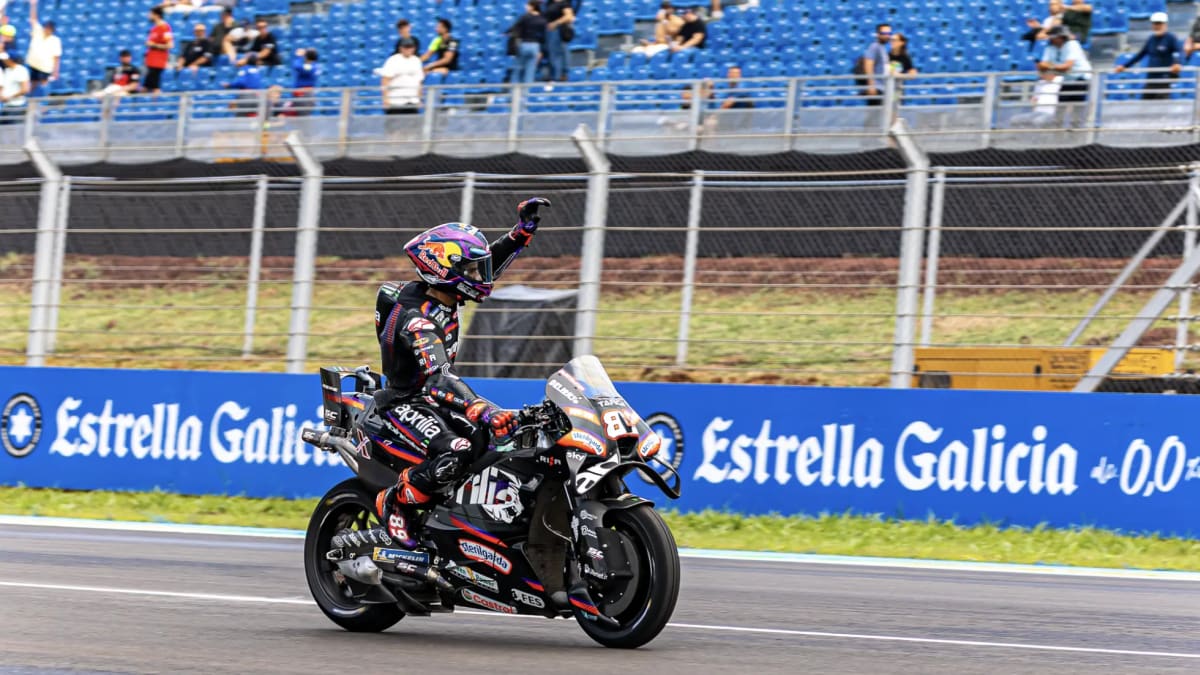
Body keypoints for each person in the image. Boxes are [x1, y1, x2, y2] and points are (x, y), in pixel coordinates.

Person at [336, 198, 552, 550]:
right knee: (458, 450)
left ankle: (471, 520)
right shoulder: (416, 319)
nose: (481, 276)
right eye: (471, 270)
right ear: (445, 271)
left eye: (477, 269)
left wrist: (520, 234)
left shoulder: (445, 294)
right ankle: (395, 502)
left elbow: (487, 264)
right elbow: (437, 377)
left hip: (433, 399)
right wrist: (481, 408)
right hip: (405, 402)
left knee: (501, 440)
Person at [1115, 12, 1182, 101]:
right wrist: (1124, 66)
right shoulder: (1151, 39)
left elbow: (1177, 52)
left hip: (1164, 79)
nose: (1157, 26)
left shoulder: (1170, 38)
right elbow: (1140, 55)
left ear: (1165, 24)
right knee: (1145, 103)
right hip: (1151, 79)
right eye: (1155, 24)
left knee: (1162, 104)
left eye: (1159, 23)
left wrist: (1177, 63)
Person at [1038, 25, 1090, 122]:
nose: (1051, 38)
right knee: (1061, 105)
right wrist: (1053, 67)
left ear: (1060, 37)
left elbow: (1067, 66)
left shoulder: (1072, 45)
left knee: (1077, 105)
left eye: (1054, 36)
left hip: (1081, 78)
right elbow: (1042, 65)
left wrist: (1051, 66)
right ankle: (1058, 125)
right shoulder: (1050, 48)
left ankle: (1076, 126)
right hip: (1067, 79)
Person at [25, 0, 60, 96]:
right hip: (33, 64)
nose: (47, 29)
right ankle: (30, 99)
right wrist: (33, 5)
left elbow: (56, 57)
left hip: (45, 67)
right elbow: (33, 19)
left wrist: (55, 71)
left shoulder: (55, 40)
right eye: (47, 27)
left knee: (44, 85)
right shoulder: (38, 31)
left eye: (50, 28)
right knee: (32, 84)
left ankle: (44, 101)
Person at [381, 37, 424, 114]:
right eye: (406, 47)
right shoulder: (393, 60)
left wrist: (419, 98)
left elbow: (419, 81)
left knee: (412, 121)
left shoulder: (416, 60)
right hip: (395, 100)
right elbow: (385, 80)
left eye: (410, 47)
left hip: (412, 100)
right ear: (400, 48)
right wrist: (385, 99)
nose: (408, 49)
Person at [507, 1, 546, 85]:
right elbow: (544, 36)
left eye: (527, 6)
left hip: (524, 44)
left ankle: (515, 91)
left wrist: (507, 33)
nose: (526, 7)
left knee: (517, 69)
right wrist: (541, 51)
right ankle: (526, 92)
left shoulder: (525, 17)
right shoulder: (542, 19)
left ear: (532, 6)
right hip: (535, 46)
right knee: (530, 72)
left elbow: (514, 28)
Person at [144, 6, 174, 94]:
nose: (148, 16)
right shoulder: (154, 28)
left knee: (155, 88)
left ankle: (157, 102)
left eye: (150, 14)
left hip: (158, 62)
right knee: (146, 87)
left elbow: (170, 45)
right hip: (151, 61)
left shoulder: (165, 28)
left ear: (156, 15)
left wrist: (153, 45)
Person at [543, 0, 575, 83]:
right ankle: (555, 75)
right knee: (552, 54)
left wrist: (556, 23)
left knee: (558, 54)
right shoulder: (550, 3)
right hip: (549, 31)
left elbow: (569, 16)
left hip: (558, 30)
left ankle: (559, 76)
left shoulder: (564, 3)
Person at [860, 23, 891, 106]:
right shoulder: (874, 46)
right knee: (875, 112)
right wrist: (871, 85)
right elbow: (868, 64)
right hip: (876, 88)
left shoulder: (883, 48)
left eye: (889, 33)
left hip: (882, 88)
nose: (887, 36)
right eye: (884, 33)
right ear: (878, 34)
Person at [0, 51, 30, 123]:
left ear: (11, 60)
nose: (3, 60)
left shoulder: (21, 70)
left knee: (15, 128)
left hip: (17, 107)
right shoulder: (7, 70)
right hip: (7, 106)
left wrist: (9, 97)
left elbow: (25, 89)